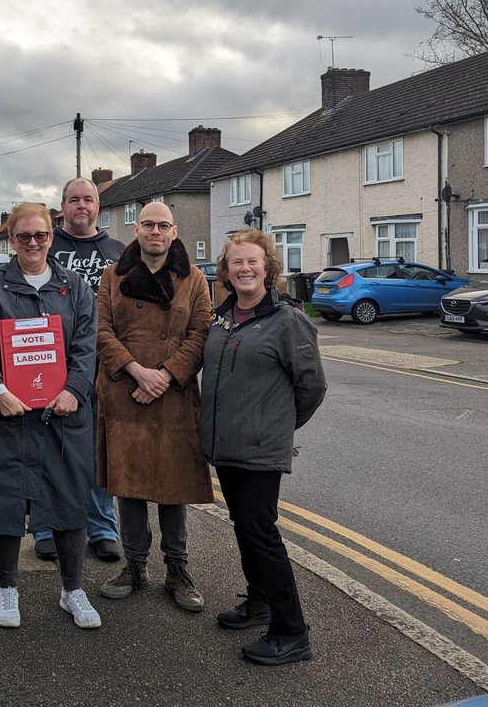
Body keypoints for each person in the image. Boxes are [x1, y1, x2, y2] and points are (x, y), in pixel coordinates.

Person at [0, 202, 102, 630]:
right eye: (24, 236)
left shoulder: (74, 287)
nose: (34, 243)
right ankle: (7, 587)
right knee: (3, 499)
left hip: (62, 413)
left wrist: (75, 390)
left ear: (52, 234)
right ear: (12, 239)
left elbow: (86, 345)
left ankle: (72, 588)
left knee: (68, 495)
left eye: (41, 235)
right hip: (6, 413)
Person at [201, 229, 327, 666]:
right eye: (236, 262)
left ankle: (292, 631)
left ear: (267, 268)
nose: (245, 269)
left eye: (253, 261)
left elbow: (312, 386)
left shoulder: (288, 320)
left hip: (260, 449)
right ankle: (260, 603)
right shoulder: (223, 317)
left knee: (261, 532)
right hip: (227, 446)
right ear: (226, 271)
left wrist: (277, 428)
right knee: (244, 526)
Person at [94, 202, 213, 612]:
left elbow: (201, 332)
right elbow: (101, 329)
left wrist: (163, 375)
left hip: (174, 395)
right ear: (138, 230)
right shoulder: (114, 275)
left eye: (163, 225)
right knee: (129, 485)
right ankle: (135, 565)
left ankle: (177, 568)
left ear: (174, 232)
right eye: (148, 224)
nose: (155, 231)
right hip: (125, 392)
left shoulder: (194, 278)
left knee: (173, 486)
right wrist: (137, 372)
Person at [34, 176, 125, 562]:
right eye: (74, 200)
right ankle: (43, 526)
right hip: (51, 363)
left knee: (97, 449)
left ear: (98, 207)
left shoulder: (119, 251)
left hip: (105, 366)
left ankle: (101, 527)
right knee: (46, 448)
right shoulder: (46, 246)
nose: (81, 206)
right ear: (62, 207)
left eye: (88, 199)